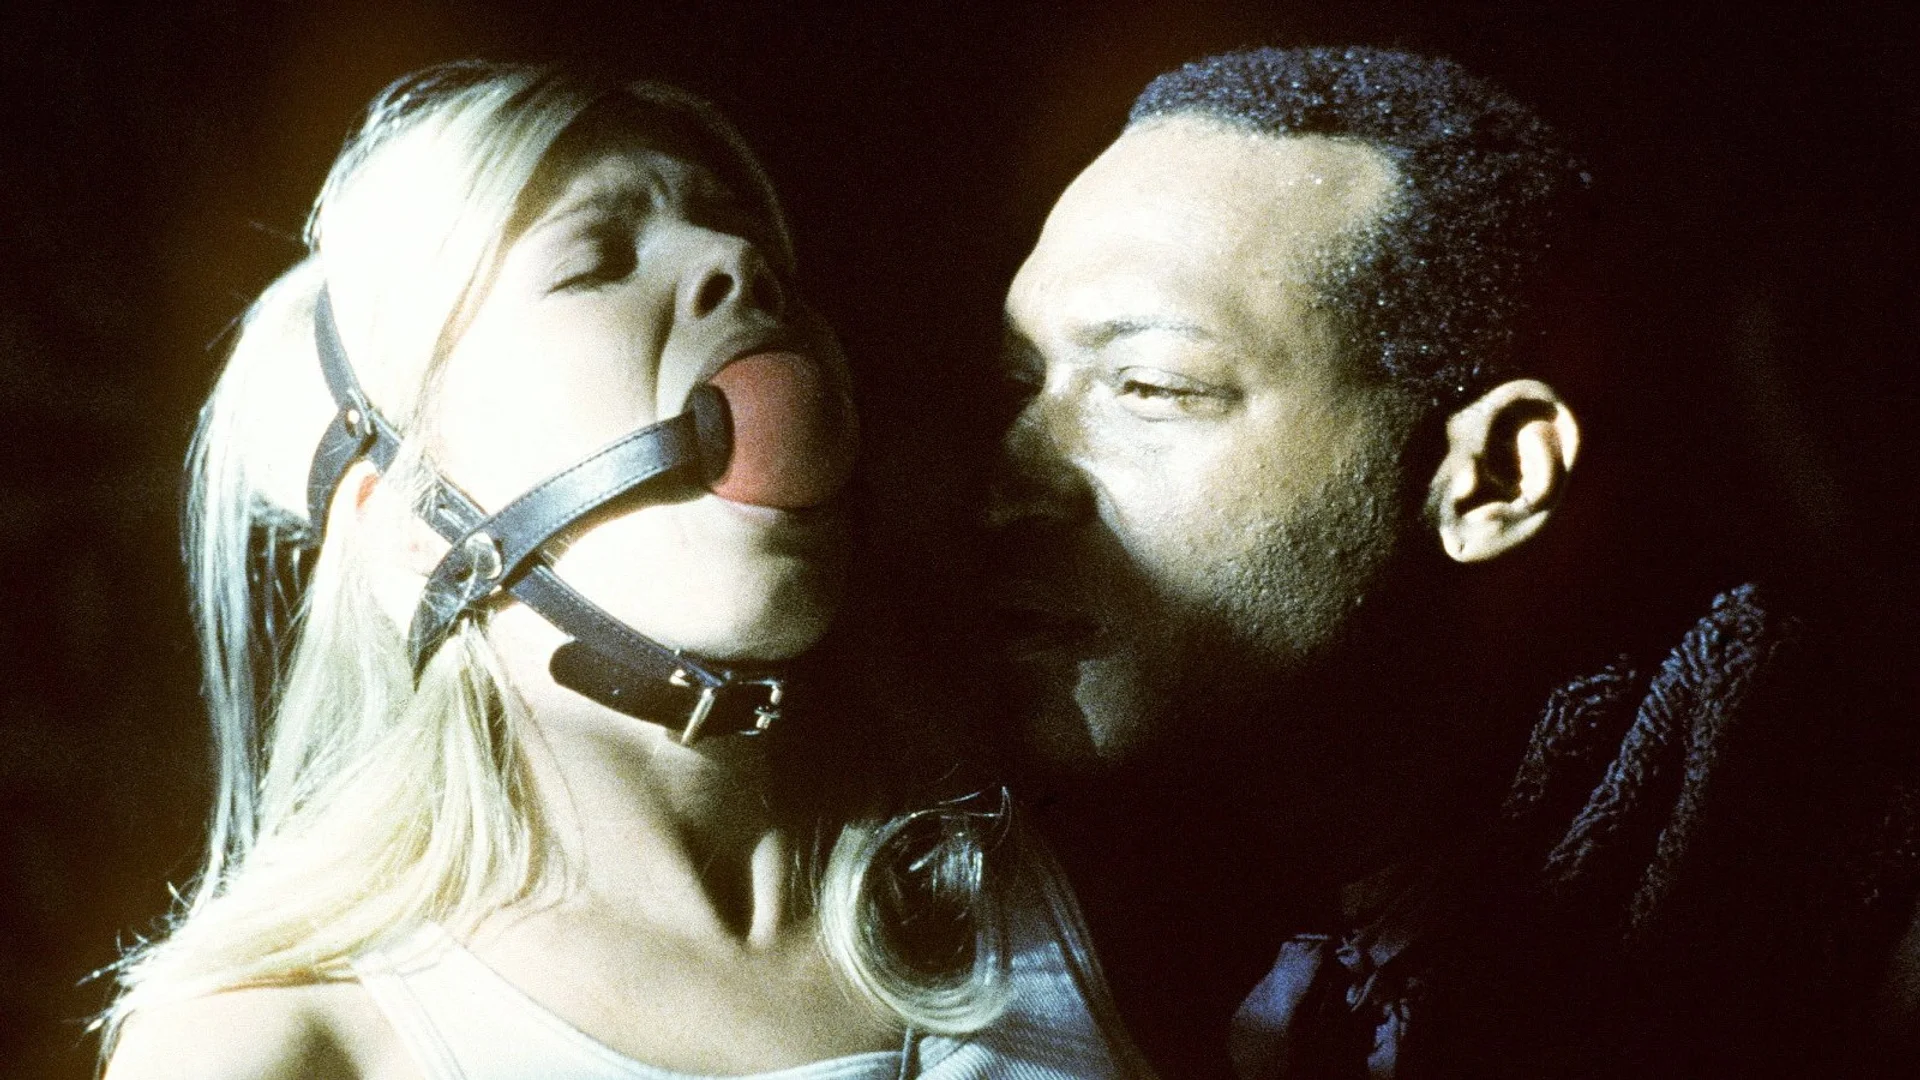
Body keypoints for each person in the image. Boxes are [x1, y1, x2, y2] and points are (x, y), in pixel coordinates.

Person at [100, 61, 1129, 1080]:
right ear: (408, 518)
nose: (737, 259)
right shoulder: (275, 1047)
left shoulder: (1080, 885)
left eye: (747, 234)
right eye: (594, 259)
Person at [989, 46, 1915, 1078]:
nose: (1009, 483)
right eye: (1019, 384)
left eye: (1152, 386)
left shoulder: (1840, 969)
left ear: (1494, 478)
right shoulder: (1047, 936)